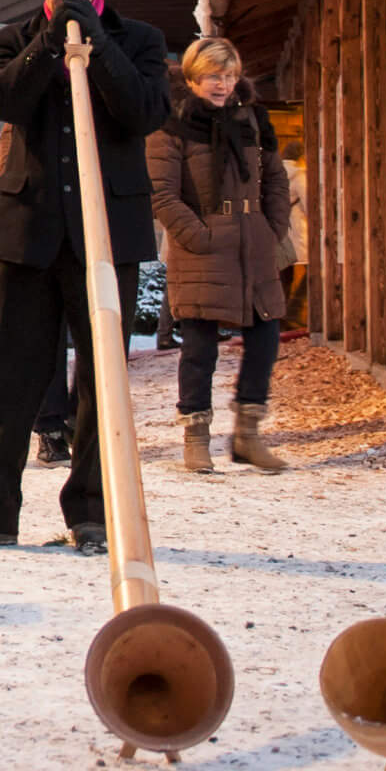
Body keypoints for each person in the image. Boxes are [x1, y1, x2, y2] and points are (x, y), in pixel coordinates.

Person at [0, 0, 169, 553]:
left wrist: (95, 39)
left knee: (103, 380)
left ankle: (94, 511)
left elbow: (146, 110)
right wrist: (52, 40)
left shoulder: (141, 40)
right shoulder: (13, 39)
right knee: (12, 376)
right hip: (29, 231)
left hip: (108, 234)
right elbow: (4, 101)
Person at [149, 36, 293, 473]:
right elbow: (162, 194)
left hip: (254, 243)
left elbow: (275, 177)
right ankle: (196, 437)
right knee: (199, 347)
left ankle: (248, 434)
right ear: (193, 76)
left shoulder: (251, 118)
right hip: (203, 248)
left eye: (229, 76)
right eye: (214, 75)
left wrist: (272, 229)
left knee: (265, 339)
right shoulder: (171, 125)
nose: (222, 84)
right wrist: (200, 236)